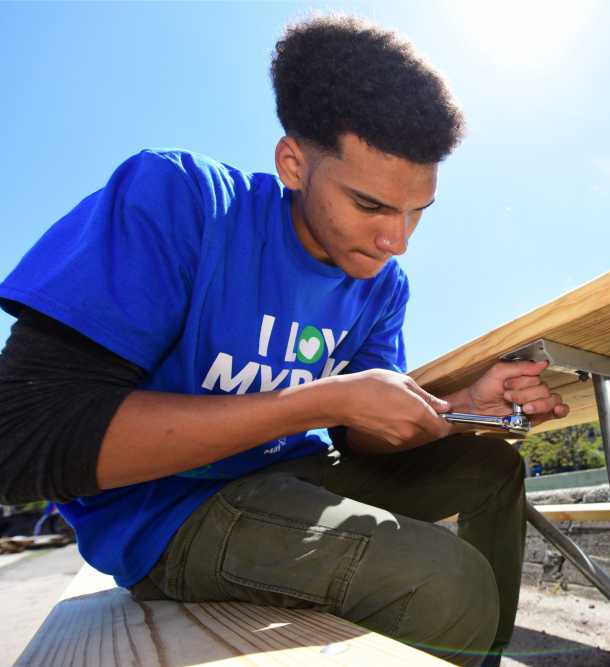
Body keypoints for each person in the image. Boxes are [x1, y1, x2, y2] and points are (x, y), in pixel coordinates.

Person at [0, 15, 569, 667]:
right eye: (371, 205)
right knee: (446, 581)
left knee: (493, 465)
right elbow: (21, 445)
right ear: (294, 164)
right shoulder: (183, 203)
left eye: (418, 211)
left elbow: (361, 437)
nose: (398, 240)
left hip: (293, 475)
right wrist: (323, 401)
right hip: (169, 511)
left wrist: (460, 404)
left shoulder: (382, 286)